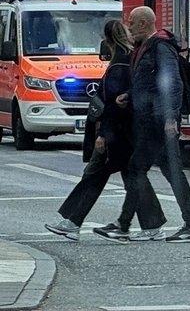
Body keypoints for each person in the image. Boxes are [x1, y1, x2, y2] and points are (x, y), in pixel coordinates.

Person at [96, 6, 190, 243]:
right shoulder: (145, 48)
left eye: (132, 22)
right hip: (150, 118)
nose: (129, 26)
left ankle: (124, 225)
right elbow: (147, 82)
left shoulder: (160, 47)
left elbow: (171, 83)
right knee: (171, 172)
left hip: (158, 120)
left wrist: (170, 118)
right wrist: (130, 95)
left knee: (137, 168)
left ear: (144, 23)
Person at [45, 20, 136, 241]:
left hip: (115, 133)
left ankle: (73, 222)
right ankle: (146, 223)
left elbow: (112, 104)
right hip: (127, 132)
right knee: (133, 179)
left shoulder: (118, 64)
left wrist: (103, 134)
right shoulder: (131, 59)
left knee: (94, 175)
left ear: (107, 40)